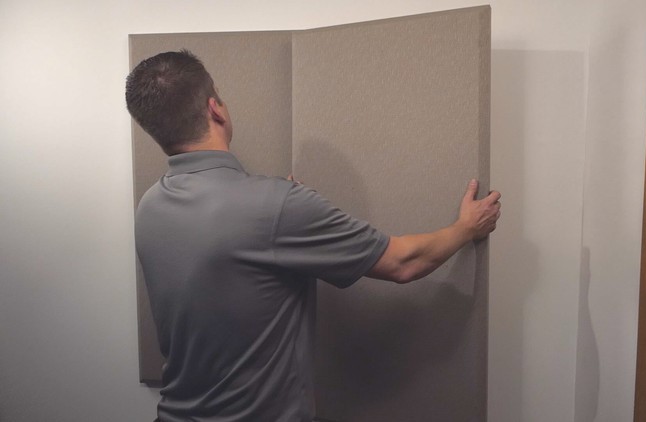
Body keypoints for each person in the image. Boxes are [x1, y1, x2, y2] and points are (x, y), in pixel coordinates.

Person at [126, 50, 501, 422]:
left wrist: (283, 211)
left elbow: (230, 274)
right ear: (215, 109)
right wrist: (466, 227)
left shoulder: (149, 207)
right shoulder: (277, 206)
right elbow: (404, 262)